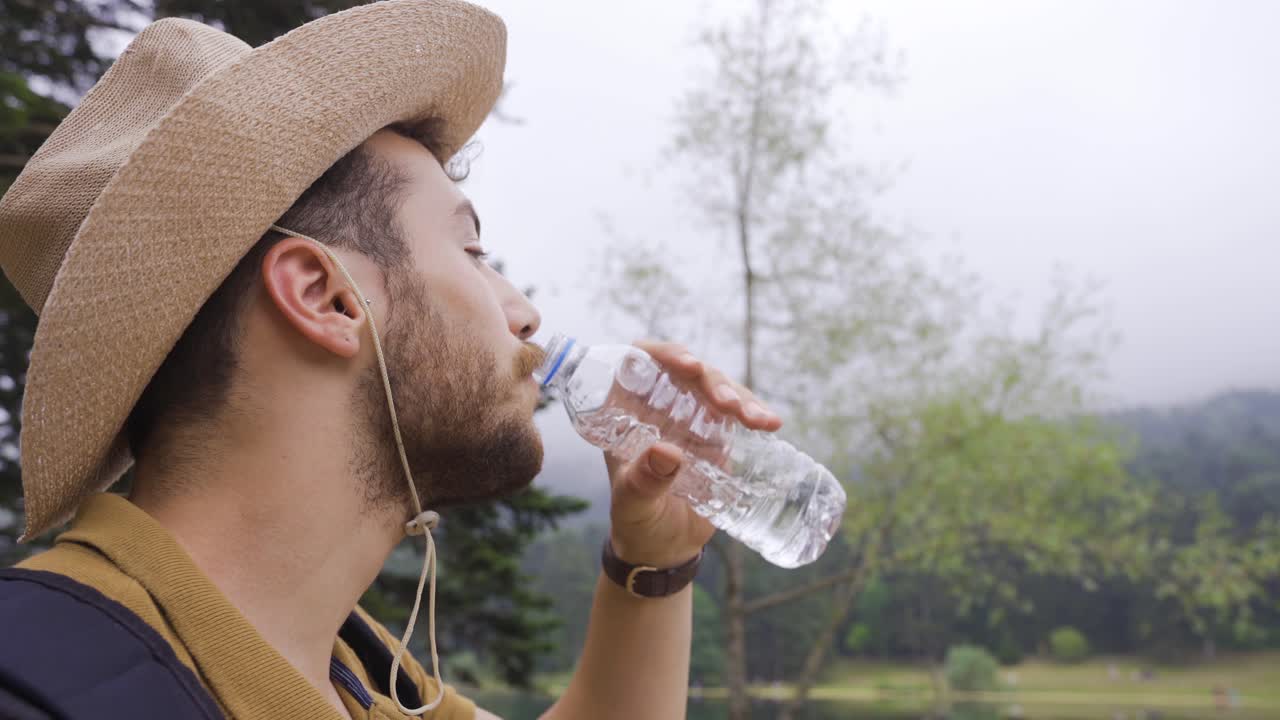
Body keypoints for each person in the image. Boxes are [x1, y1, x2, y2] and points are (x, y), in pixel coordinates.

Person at [0, 1, 782, 719]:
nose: (523, 311)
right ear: (326, 296)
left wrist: (655, 562)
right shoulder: (39, 684)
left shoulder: (360, 675)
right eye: (472, 250)